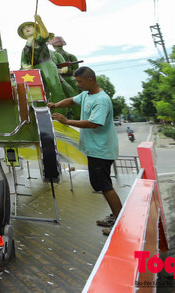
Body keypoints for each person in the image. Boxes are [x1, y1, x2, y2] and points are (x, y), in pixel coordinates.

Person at [48, 66, 121, 235]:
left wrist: (66, 121)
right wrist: (55, 105)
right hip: (95, 149)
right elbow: (71, 100)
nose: (78, 85)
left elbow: (94, 123)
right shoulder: (87, 94)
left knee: (104, 185)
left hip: (101, 150)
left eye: (80, 82)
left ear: (90, 80)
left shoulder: (101, 100)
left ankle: (118, 221)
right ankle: (115, 215)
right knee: (102, 184)